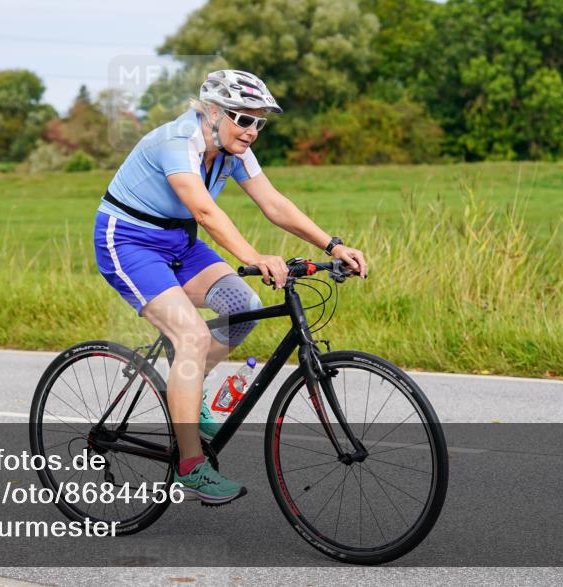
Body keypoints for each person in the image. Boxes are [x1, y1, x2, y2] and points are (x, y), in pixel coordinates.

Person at [93, 69, 368, 505]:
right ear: (213, 112)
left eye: (260, 122)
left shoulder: (233, 149)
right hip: (128, 241)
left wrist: (333, 245)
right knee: (193, 336)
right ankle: (190, 467)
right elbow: (204, 210)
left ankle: (186, 387)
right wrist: (253, 257)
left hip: (178, 241)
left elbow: (273, 202)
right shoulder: (177, 142)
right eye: (243, 119)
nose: (252, 130)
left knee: (243, 305)